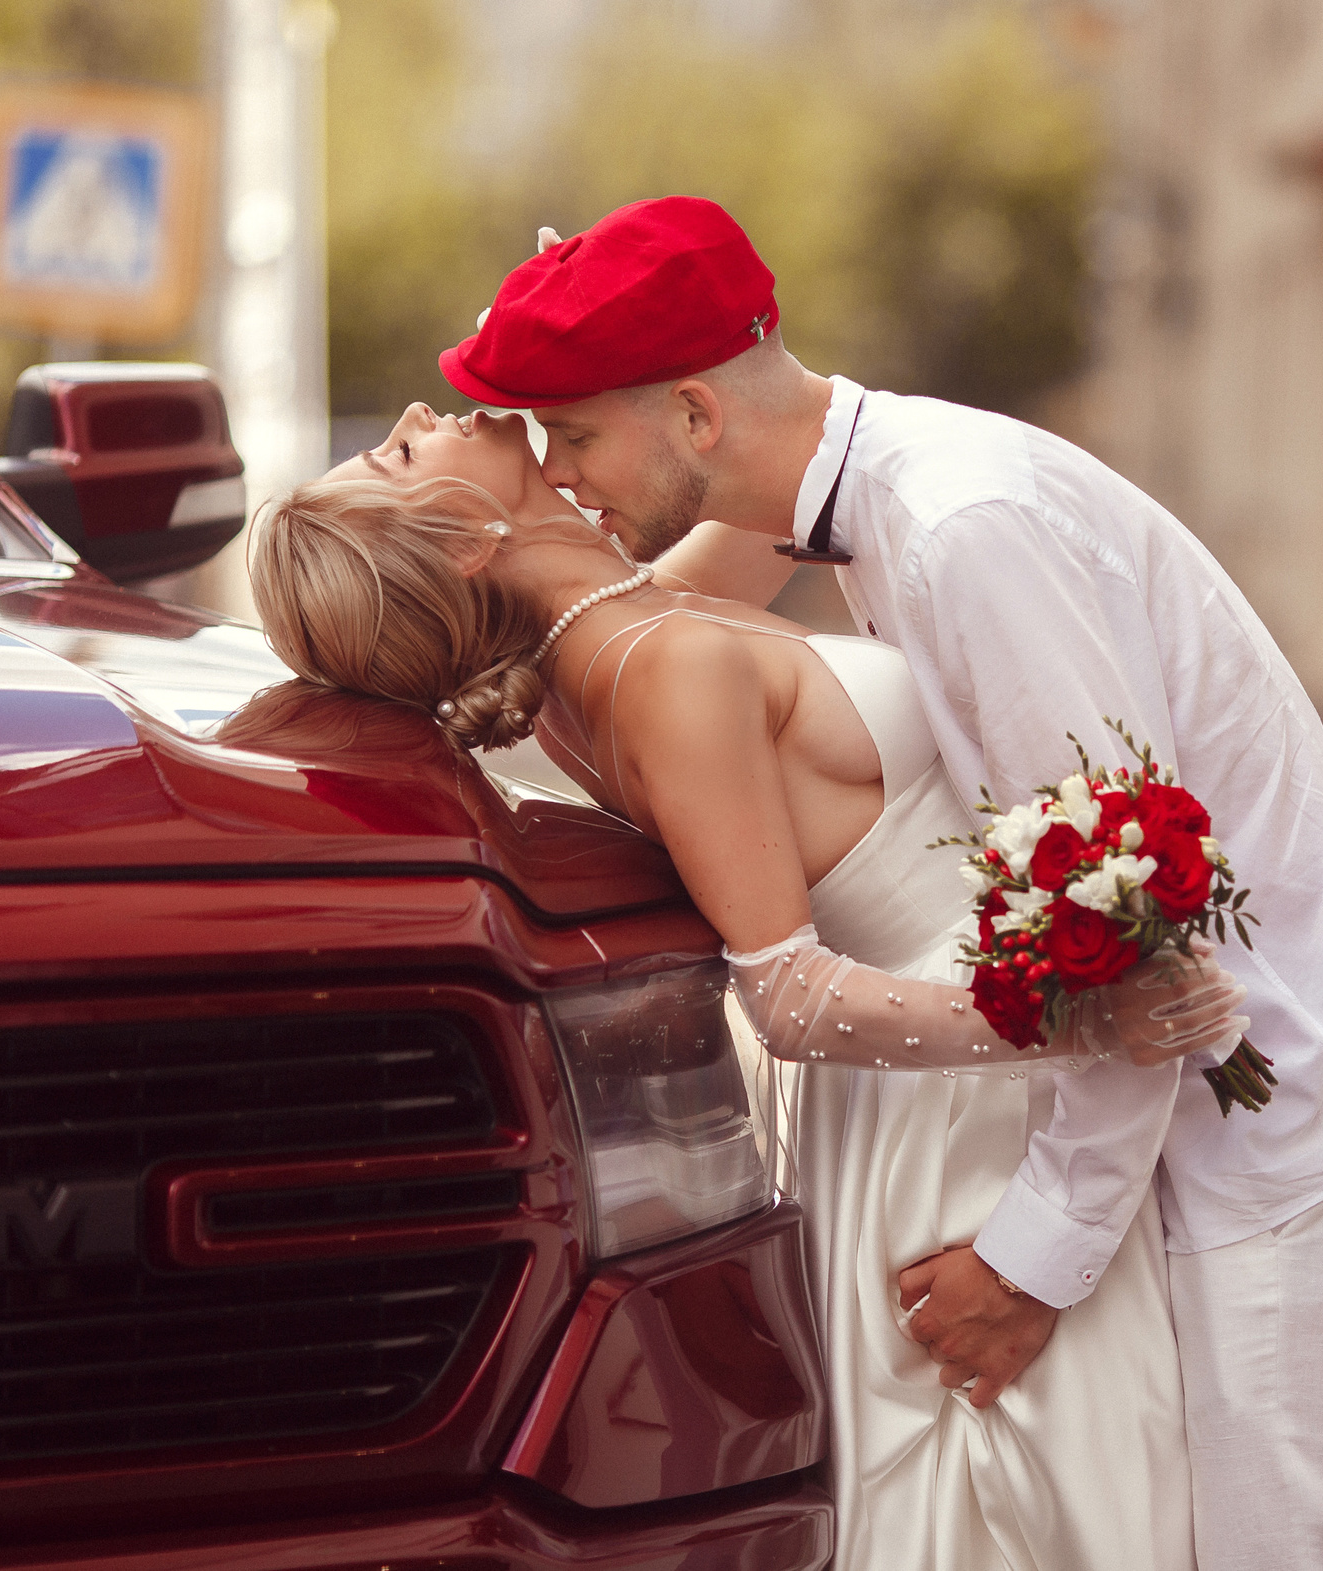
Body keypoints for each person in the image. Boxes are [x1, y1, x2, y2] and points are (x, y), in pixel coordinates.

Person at [438, 196, 1323, 1571]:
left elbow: (1114, 913)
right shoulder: (868, 492)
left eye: (576, 437)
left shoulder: (960, 526)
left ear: (695, 414)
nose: (565, 472)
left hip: (1274, 1107)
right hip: (1185, 1110)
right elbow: (635, 613)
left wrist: (1032, 1260)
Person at [247, 401, 1247, 1570]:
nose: (418, 411)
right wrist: (1075, 1019)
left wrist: (587, 360)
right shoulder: (660, 670)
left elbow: (777, 463)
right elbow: (789, 997)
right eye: (401, 452)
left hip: (972, 1075)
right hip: (962, 1114)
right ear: (468, 541)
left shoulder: (619, 616)